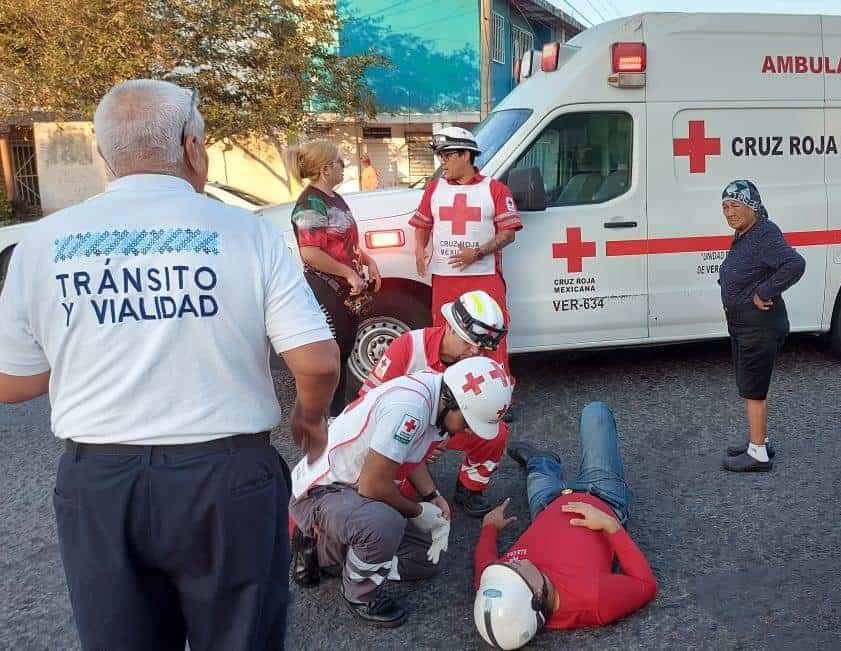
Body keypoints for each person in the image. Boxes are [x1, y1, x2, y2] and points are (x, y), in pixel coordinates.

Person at [0, 79, 340, 650]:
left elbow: (15, 381)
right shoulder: (245, 232)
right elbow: (317, 360)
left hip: (100, 487)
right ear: (191, 147)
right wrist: (311, 416)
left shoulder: (42, 244)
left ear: (104, 156)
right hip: (225, 482)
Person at [290, 356, 513, 627]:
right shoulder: (409, 408)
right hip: (321, 491)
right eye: (468, 422)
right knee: (384, 524)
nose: (467, 430)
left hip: (353, 489)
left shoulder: (438, 400)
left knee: (427, 558)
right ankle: (359, 593)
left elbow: (409, 455)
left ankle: (329, 551)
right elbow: (373, 486)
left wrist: (433, 496)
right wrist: (418, 510)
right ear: (453, 402)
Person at [473, 402, 657, 649]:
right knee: (595, 412)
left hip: (546, 506)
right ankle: (541, 465)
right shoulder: (593, 599)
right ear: (537, 594)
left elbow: (484, 565)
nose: (508, 564)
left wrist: (489, 527)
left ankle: (541, 462)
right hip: (601, 495)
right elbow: (646, 585)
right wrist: (610, 526)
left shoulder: (501, 586)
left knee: (539, 472)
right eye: (513, 570)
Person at [358, 289, 511, 517]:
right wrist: (420, 439)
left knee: (495, 433)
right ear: (450, 327)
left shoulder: (482, 356)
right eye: (469, 343)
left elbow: (489, 408)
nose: (476, 353)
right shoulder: (408, 347)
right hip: (403, 430)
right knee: (396, 499)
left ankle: (470, 487)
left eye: (482, 348)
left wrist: (439, 436)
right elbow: (367, 402)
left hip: (451, 426)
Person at [410, 126, 521, 378]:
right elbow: (423, 224)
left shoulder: (495, 189)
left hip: (484, 277)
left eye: (448, 155)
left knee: (491, 333)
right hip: (445, 279)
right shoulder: (434, 189)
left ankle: (498, 392)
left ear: (466, 155)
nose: (443, 162)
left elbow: (509, 232)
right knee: (445, 337)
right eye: (441, 156)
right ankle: (448, 393)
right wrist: (419, 249)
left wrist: (478, 253)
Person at [286, 139, 382, 416]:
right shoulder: (311, 204)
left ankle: (337, 419)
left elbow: (343, 244)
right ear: (327, 169)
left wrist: (367, 261)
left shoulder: (333, 199)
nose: (344, 166)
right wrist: (348, 273)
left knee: (342, 354)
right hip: (326, 290)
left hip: (342, 288)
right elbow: (311, 253)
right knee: (330, 359)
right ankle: (321, 425)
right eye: (339, 161)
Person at [717, 180, 805, 473]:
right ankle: (759, 440)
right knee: (751, 384)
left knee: (754, 387)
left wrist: (764, 291)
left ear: (752, 206)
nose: (729, 213)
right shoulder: (746, 233)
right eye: (725, 207)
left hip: (759, 325)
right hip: (744, 323)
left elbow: (794, 264)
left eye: (735, 206)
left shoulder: (764, 233)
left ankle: (757, 454)